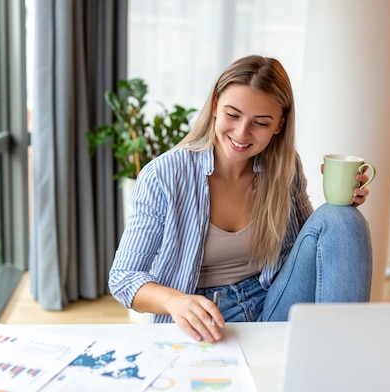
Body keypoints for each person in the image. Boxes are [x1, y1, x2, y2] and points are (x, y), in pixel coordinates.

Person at [109, 55, 372, 342]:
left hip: (274, 301)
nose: (241, 133)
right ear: (214, 106)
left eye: (260, 123)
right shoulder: (164, 176)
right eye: (232, 115)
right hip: (205, 317)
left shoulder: (284, 167)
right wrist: (175, 301)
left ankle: (342, 359)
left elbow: (312, 249)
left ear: (279, 125)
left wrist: (339, 207)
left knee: (344, 218)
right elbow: (123, 277)